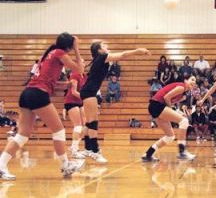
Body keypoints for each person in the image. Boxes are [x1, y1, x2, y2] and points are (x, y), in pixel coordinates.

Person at [0, 33, 85, 180]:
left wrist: (64, 84)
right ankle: (65, 165)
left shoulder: (49, 54)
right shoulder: (59, 53)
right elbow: (79, 69)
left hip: (27, 93)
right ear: (69, 46)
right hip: (38, 95)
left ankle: (1, 166)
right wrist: (77, 48)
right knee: (59, 131)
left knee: (22, 135)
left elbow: (46, 79)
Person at [80, 41, 151, 163]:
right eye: (104, 45)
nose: (107, 46)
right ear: (99, 50)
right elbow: (123, 55)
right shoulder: (103, 57)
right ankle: (95, 151)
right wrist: (137, 51)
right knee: (93, 121)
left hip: (88, 91)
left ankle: (87, 149)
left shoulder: (101, 58)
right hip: (89, 91)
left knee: (89, 122)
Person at [142, 76, 197, 162]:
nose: (194, 82)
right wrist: (174, 110)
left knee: (170, 137)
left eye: (195, 81)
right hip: (157, 105)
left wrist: (177, 111)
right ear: (186, 80)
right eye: (192, 79)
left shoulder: (182, 94)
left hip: (155, 107)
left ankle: (148, 154)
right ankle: (182, 153)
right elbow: (166, 98)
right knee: (184, 121)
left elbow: (170, 102)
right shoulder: (181, 87)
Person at [64, 59, 87, 158]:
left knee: (86, 126)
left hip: (80, 102)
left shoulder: (85, 76)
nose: (83, 63)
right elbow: (73, 92)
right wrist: (86, 97)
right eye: (80, 62)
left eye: (83, 62)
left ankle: (75, 146)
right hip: (71, 101)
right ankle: (74, 149)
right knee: (78, 126)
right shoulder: (74, 75)